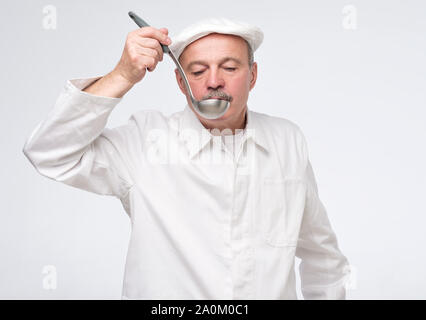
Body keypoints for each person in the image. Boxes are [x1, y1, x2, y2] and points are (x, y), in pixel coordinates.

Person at [23, 17, 351, 300]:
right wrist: (122, 75)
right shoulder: (145, 140)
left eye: (229, 67)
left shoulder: (286, 139)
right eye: (197, 71)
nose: (213, 81)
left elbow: (322, 256)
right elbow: (49, 152)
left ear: (252, 76)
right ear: (181, 82)